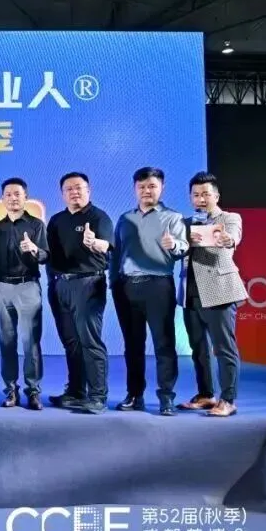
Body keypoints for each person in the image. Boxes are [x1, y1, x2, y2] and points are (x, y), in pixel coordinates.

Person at [110, 167, 188, 416]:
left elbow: (183, 248)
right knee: (132, 345)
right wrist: (114, 283)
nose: (146, 191)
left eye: (152, 186)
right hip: (126, 287)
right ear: (135, 189)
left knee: (164, 344)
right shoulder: (125, 219)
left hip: (158, 286)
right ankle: (135, 395)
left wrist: (173, 244)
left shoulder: (173, 217)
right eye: (141, 187)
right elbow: (116, 254)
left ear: (161, 188)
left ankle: (166, 398)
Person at [177, 172, 247, 418]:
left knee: (224, 348)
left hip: (219, 292)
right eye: (196, 195)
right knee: (198, 349)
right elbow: (177, 252)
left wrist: (228, 239)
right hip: (190, 293)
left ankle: (228, 399)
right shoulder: (186, 223)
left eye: (206, 194)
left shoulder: (229, 218)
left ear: (216, 196)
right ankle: (206, 394)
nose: (201, 199)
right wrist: (174, 244)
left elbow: (232, 238)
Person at [45, 173, 114, 414]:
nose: (74, 192)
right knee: (71, 342)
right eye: (69, 189)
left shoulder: (98, 217)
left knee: (89, 341)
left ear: (88, 190)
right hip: (60, 286)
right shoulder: (57, 220)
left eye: (79, 188)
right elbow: (49, 255)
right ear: (62, 194)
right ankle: (76, 391)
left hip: (88, 284)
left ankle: (98, 397)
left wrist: (95, 243)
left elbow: (106, 246)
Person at [0, 177, 48, 411]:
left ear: (26, 197)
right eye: (8, 194)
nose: (13, 198)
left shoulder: (36, 225)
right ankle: (10, 390)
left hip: (28, 286)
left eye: (17, 194)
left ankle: (33, 391)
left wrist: (34, 249)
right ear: (3, 198)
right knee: (6, 342)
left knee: (30, 342)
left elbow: (46, 255)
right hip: (3, 287)